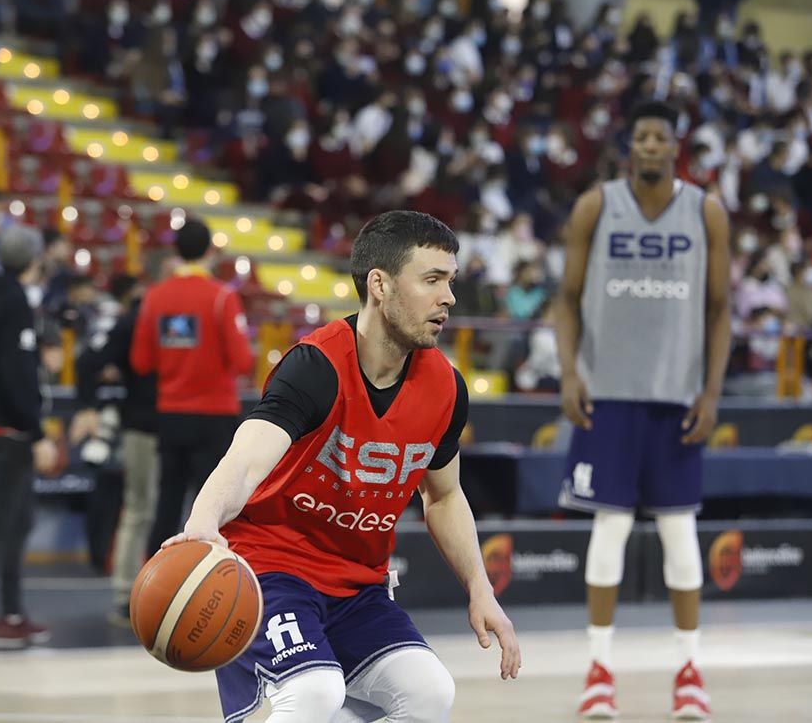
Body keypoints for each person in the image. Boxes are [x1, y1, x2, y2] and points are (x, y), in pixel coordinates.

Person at [162, 210, 521, 723]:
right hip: (272, 570)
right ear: (380, 284)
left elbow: (442, 496)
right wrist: (202, 523)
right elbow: (245, 460)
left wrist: (480, 589)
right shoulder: (314, 366)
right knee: (313, 693)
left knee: (430, 694)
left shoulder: (446, 387)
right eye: (432, 280)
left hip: (357, 586)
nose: (449, 297)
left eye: (451, 281)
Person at [553, 101, 731, 720]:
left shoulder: (706, 210)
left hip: (677, 396)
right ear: (630, 145)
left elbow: (719, 310)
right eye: (642, 137)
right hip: (609, 394)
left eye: (662, 136)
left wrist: (711, 392)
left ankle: (690, 670)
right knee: (609, 530)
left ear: (675, 145)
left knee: (682, 535)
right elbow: (567, 298)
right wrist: (570, 371)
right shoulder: (596, 206)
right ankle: (598, 670)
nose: (651, 145)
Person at [131, 217, 255, 557]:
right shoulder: (222, 297)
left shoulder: (155, 298)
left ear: (176, 251)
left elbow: (142, 362)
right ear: (210, 251)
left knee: (167, 506)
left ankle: (153, 591)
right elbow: (243, 361)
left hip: (171, 415)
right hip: (214, 416)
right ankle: (218, 590)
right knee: (217, 512)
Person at [0, 225, 60, 649]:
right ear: (34, 260)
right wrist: (35, 428)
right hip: (11, 426)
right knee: (2, 522)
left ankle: (10, 612)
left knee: (17, 520)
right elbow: (16, 371)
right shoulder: (14, 300)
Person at [71, 273, 159, 625]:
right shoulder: (134, 320)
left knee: (154, 510)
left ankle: (155, 593)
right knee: (141, 508)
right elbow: (86, 363)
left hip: (171, 424)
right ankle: (127, 593)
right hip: (145, 424)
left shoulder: (152, 315)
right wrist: (88, 406)